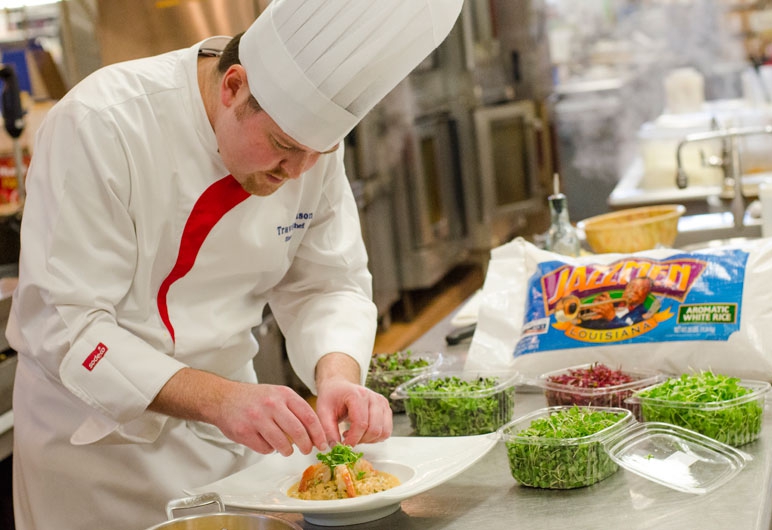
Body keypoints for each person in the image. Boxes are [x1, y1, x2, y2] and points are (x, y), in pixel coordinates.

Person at [6, 1, 463, 528]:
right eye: (282, 146)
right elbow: (66, 325)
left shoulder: (307, 148)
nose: (296, 173)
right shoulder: (100, 124)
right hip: (99, 459)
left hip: (233, 438)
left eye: (321, 152)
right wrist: (222, 399)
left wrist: (338, 375)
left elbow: (329, 284)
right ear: (233, 86)